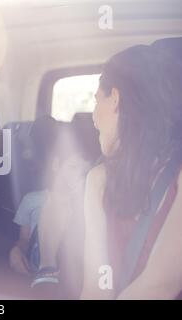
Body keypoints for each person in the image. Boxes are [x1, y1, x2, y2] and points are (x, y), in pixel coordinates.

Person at [81, 45, 182, 299]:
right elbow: (95, 284)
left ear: (115, 98)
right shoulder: (97, 180)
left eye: (96, 101)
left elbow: (160, 284)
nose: (93, 118)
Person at [9, 116, 98, 298]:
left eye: (84, 171)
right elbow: (24, 240)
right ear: (56, 165)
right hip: (34, 276)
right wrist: (16, 251)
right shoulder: (32, 200)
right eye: (73, 167)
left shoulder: (89, 205)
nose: (78, 177)